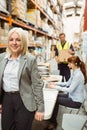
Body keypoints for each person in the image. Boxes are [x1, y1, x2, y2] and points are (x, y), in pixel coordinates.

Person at [0, 27, 44, 130]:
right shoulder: (2, 58)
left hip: (24, 100)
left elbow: (37, 84)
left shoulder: (30, 59)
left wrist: (41, 108)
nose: (14, 43)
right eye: (11, 40)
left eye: (18, 40)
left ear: (23, 42)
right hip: (7, 100)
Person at [45, 56, 87, 130]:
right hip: (71, 96)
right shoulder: (75, 71)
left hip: (75, 101)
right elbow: (67, 83)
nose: (68, 65)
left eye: (69, 63)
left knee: (55, 100)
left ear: (75, 64)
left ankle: (53, 123)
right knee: (56, 96)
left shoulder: (78, 75)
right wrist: (56, 84)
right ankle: (52, 121)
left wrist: (54, 87)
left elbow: (69, 89)